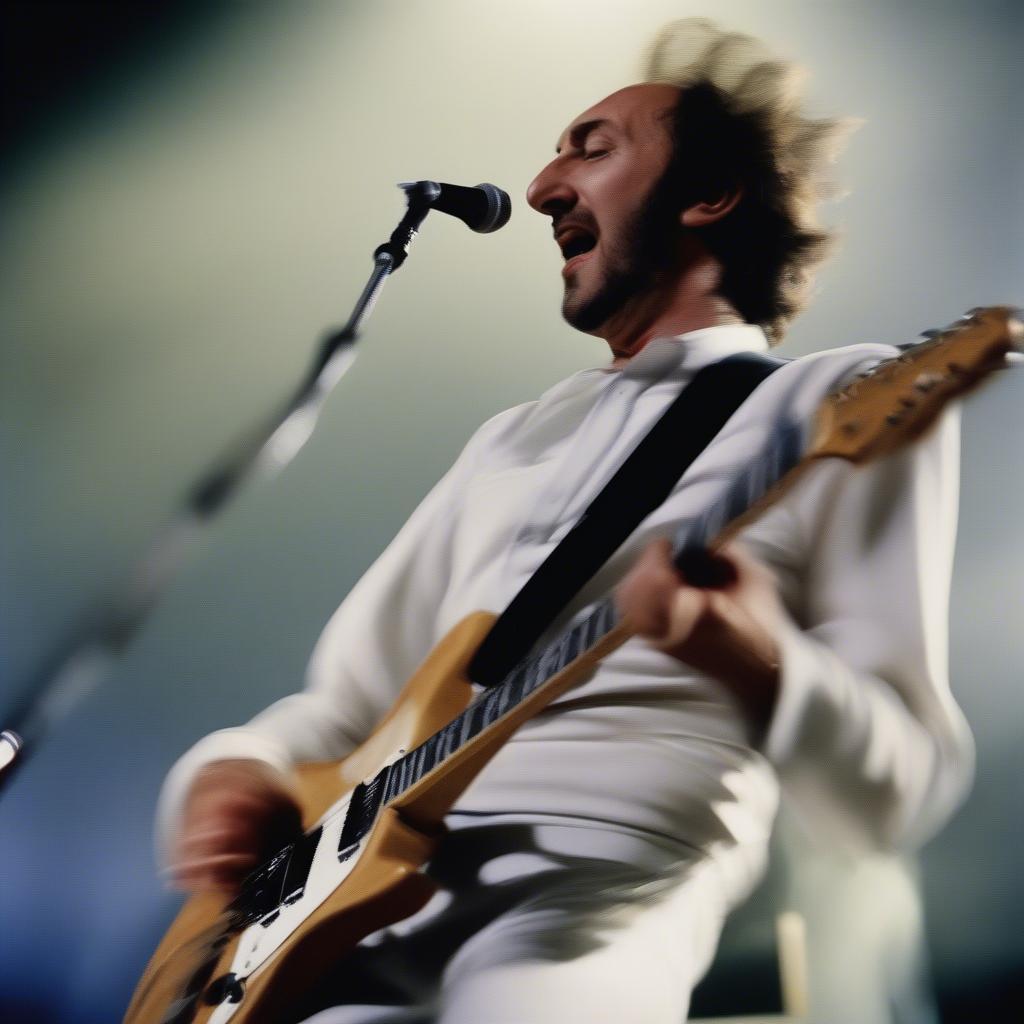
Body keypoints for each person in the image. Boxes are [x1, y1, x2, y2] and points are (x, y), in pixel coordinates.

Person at [156, 19, 973, 1023]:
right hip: (348, 910)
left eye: (592, 148)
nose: (542, 188)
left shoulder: (839, 399)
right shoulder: (509, 439)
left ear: (708, 194)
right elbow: (343, 709)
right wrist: (239, 773)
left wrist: (757, 653)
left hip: (594, 890)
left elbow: (897, 785)